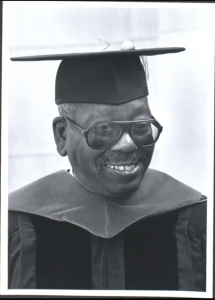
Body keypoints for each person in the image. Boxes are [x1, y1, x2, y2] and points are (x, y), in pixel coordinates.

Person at [8, 42, 206, 291]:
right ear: (62, 136)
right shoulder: (16, 226)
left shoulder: (196, 220)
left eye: (141, 126)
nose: (127, 144)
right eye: (103, 129)